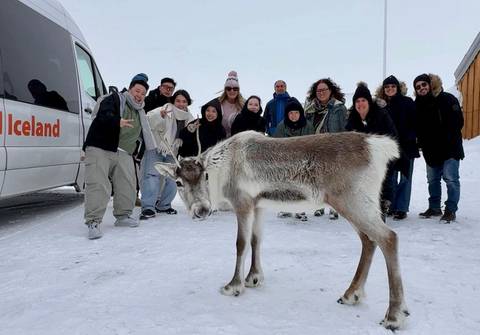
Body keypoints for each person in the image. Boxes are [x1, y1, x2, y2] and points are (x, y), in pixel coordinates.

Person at [82, 73, 156, 239]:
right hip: (101, 147)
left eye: (143, 93)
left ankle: (123, 216)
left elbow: (142, 136)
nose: (139, 95)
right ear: (130, 89)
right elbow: (102, 114)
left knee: (128, 185)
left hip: (124, 152)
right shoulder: (114, 99)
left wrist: (138, 151)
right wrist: (117, 121)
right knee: (99, 184)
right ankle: (93, 221)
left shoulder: (140, 112)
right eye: (137, 91)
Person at [414, 73, 464, 223]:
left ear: (430, 84)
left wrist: (445, 137)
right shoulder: (418, 105)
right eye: (418, 87)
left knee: (451, 179)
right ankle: (435, 207)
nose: (421, 88)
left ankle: (450, 210)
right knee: (433, 180)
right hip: (431, 151)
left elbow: (458, 122)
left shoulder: (448, 99)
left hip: (450, 148)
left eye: (424, 84)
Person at [345, 82, 398, 222]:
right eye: (357, 101)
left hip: (381, 163)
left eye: (363, 100)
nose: (360, 103)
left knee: (379, 198)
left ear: (369, 101)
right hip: (361, 166)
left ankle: (380, 220)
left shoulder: (381, 116)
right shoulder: (351, 121)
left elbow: (392, 139)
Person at [140, 89, 194, 220]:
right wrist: (160, 116)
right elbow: (147, 121)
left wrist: (191, 130)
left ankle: (164, 205)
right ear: (173, 101)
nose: (181, 104)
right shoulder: (164, 109)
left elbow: (188, 136)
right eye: (178, 101)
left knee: (172, 179)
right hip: (157, 146)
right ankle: (148, 207)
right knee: (152, 176)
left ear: (188, 103)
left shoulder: (189, 117)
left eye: (184, 101)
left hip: (172, 150)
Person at [374, 75, 419, 220]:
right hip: (388, 148)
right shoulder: (380, 105)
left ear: (398, 88)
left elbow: (415, 123)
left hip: (407, 146)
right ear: (383, 89)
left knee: (405, 179)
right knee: (390, 179)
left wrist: (410, 136)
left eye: (393, 86)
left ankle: (402, 208)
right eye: (387, 87)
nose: (390, 89)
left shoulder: (408, 102)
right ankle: (391, 206)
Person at [304, 78, 348, 219]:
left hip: (333, 148)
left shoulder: (339, 107)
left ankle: (335, 208)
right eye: (319, 90)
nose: (321, 93)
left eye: (324, 90)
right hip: (315, 148)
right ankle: (319, 206)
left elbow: (344, 128)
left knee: (333, 179)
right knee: (317, 179)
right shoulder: (309, 109)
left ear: (331, 91)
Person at [274, 98, 315, 221]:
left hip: (303, 162)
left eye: (296, 113)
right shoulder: (282, 126)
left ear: (300, 113)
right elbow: (276, 144)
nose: (293, 115)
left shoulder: (308, 126)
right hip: (287, 162)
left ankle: (301, 210)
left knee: (302, 187)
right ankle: (287, 208)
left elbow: (312, 143)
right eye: (290, 113)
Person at [208, 71, 245, 137]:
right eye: (228, 88)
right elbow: (207, 115)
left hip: (238, 140)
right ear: (225, 90)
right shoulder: (217, 103)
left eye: (235, 89)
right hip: (219, 139)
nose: (232, 91)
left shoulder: (244, 104)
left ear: (238, 90)